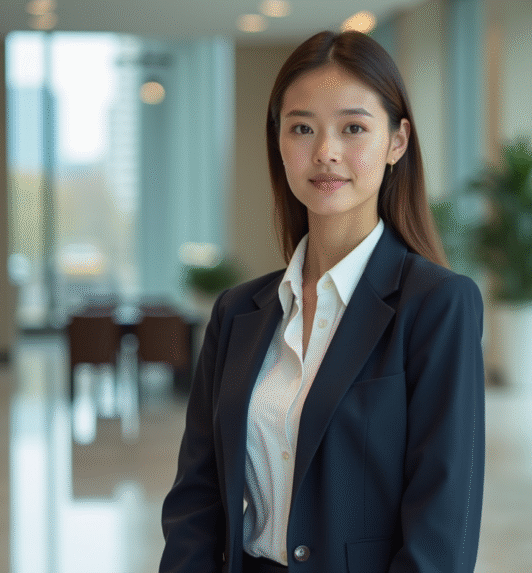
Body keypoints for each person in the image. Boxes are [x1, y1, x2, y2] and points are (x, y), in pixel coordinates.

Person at [159, 30, 485, 573]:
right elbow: (197, 499)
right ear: (278, 142)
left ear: (397, 142)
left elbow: (441, 530)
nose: (325, 152)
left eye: (353, 128)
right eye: (302, 128)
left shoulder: (438, 306)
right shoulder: (237, 312)